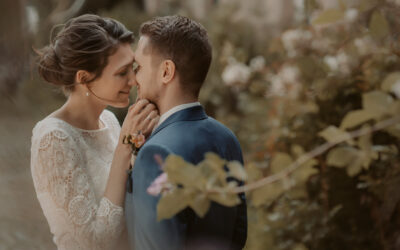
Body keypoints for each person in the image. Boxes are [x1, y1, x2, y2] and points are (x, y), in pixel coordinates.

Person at [30, 14, 159, 250]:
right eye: (122, 73)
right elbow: (96, 243)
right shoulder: (53, 137)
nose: (133, 80)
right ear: (84, 79)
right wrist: (124, 148)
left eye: (133, 68)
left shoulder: (109, 121)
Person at [125, 15, 248, 250]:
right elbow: (237, 235)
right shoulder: (227, 138)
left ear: (166, 72)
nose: (133, 79)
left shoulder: (155, 153)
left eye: (138, 67)